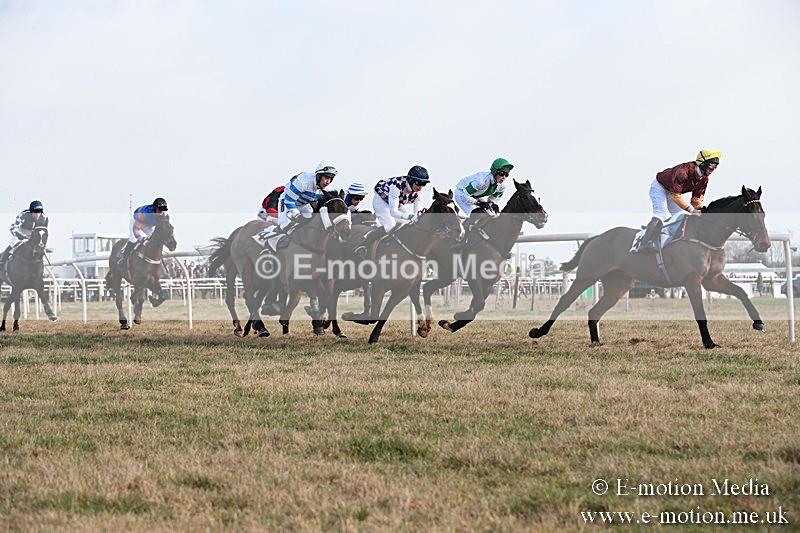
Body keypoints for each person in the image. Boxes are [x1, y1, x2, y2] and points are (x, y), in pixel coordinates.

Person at [637, 150, 721, 253]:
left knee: (679, 217)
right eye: (712, 165)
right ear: (703, 163)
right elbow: (675, 195)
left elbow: (696, 199)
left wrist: (699, 209)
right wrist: (691, 210)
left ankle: (661, 233)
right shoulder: (683, 172)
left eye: (716, 166)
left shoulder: (704, 179)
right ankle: (646, 242)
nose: (713, 169)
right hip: (660, 187)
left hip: (673, 191)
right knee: (661, 214)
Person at [354, 165, 429, 258]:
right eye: (418, 183)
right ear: (410, 180)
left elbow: (416, 215)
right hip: (381, 201)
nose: (420, 187)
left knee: (407, 225)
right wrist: (408, 216)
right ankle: (363, 245)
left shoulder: (419, 193)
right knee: (389, 226)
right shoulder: (396, 186)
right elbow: (393, 212)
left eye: (424, 184)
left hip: (397, 203)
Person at [277, 163, 337, 229]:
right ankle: (270, 233)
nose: (328, 182)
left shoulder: (326, 190)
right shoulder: (303, 182)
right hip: (287, 202)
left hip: (304, 205)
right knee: (284, 226)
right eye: (326, 177)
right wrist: (297, 216)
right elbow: (289, 201)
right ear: (318, 176)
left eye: (331, 179)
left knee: (310, 223)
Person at [117, 197, 169, 269]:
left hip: (147, 224)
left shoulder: (163, 215)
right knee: (133, 240)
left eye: (162, 210)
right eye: (159, 210)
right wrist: (141, 239)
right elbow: (135, 229)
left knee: (154, 238)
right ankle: (123, 258)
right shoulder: (144, 214)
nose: (161, 212)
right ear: (154, 208)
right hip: (137, 222)